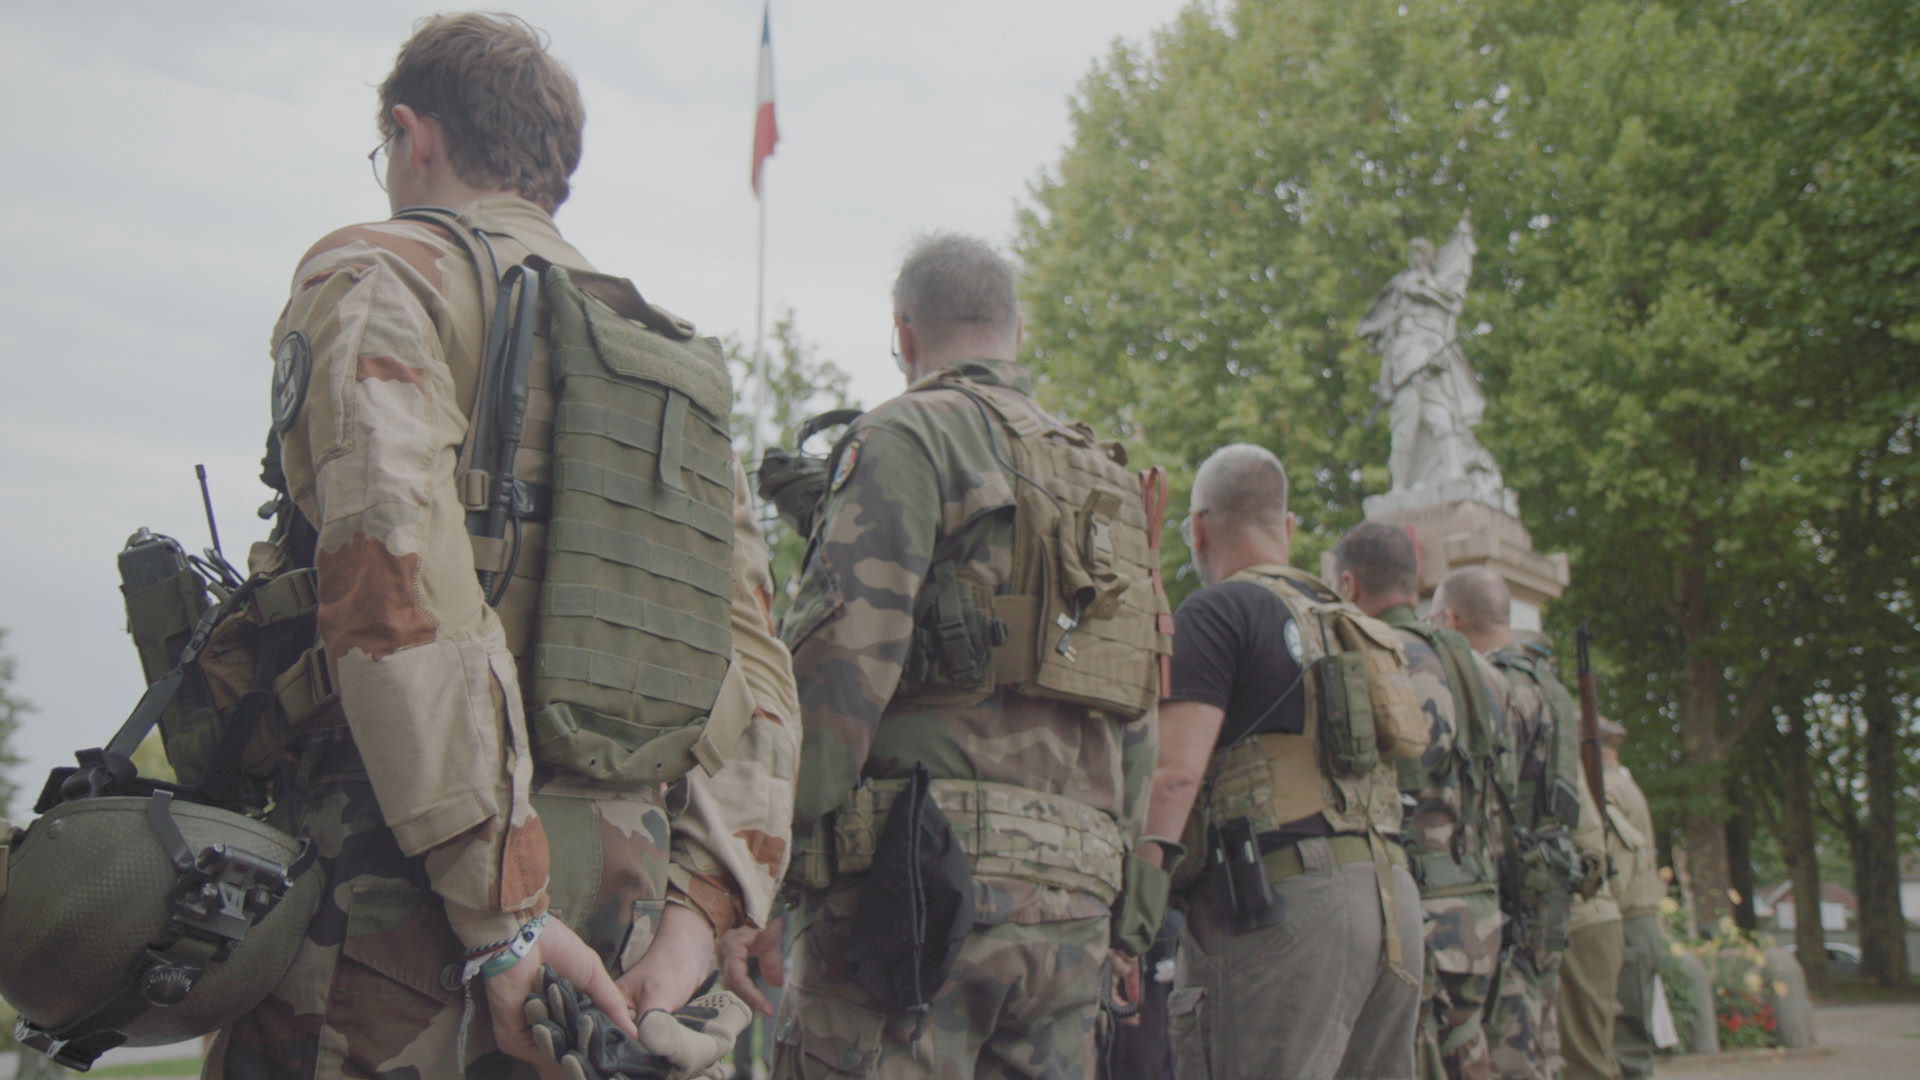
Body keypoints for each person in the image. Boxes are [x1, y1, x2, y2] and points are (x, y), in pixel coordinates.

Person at [213, 14, 799, 1077]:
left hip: (399, 913)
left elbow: (393, 582)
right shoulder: (665, 355)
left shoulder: (387, 274)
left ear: (413, 134)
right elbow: (756, 667)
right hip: (629, 931)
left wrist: (505, 919)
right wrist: (701, 909)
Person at [770, 233, 1169, 1080]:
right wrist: (1126, 914)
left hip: (912, 897)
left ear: (903, 334)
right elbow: (1138, 712)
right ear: (1018, 332)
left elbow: (843, 662)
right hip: (1072, 913)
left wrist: (753, 861)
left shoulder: (907, 436)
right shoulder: (1108, 482)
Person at [1151, 446, 1426, 1080]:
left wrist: (1131, 912)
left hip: (1285, 907)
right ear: (1289, 526)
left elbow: (1173, 776)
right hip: (1393, 902)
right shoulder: (1352, 623)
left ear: (1197, 528)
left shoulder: (1217, 611)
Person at [1331, 523, 1507, 1080]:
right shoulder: (1483, 671)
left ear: (1349, 584)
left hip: (1408, 907)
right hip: (1479, 903)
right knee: (1467, 1051)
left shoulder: (1364, 654)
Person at [1431, 568, 1611, 1080]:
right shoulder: (1546, 683)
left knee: (1509, 1031)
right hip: (1547, 871)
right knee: (1538, 1020)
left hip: (1512, 874)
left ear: (1451, 619)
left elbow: (1493, 792)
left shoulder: (1498, 686)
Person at [1601, 719, 1663, 1080]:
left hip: (1627, 922)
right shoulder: (1624, 784)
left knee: (1626, 1043)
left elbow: (1615, 873)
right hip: (1639, 922)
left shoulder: (1609, 791)